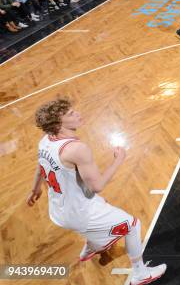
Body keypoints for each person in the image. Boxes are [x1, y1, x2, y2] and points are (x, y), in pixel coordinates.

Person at [27, 98, 166, 285]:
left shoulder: (45, 141)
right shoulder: (77, 149)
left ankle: (92, 247)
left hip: (59, 209)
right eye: (70, 114)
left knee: (102, 203)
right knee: (132, 225)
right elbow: (97, 185)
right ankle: (140, 274)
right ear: (58, 124)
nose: (77, 113)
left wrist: (35, 189)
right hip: (79, 213)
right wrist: (119, 159)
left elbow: (40, 166)